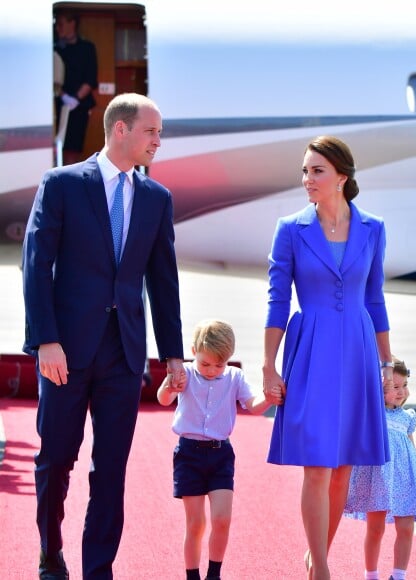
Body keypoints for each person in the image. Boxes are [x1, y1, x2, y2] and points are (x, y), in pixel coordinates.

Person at [22, 92, 186, 580]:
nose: (159, 140)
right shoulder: (62, 184)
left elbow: (163, 280)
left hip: (124, 352)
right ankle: (51, 559)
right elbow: (36, 265)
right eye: (152, 131)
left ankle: (99, 569)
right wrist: (45, 339)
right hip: (65, 351)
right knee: (56, 460)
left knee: (110, 468)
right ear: (121, 130)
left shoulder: (157, 198)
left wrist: (173, 354)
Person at [262, 135, 393, 580]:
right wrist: (268, 364)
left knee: (342, 470)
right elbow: (278, 301)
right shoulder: (290, 229)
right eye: (304, 170)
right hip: (312, 349)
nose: (307, 179)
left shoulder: (373, 228)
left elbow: (374, 298)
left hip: (358, 351)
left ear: (342, 176)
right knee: (317, 465)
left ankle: (317, 553)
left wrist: (387, 361)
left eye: (317, 170)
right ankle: (321, 568)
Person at [157, 319, 271, 580]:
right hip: (188, 455)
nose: (211, 370)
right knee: (195, 523)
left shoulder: (234, 377)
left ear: (228, 359)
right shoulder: (184, 373)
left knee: (222, 519)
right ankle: (192, 575)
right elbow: (164, 399)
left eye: (219, 365)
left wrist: (270, 398)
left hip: (220, 455)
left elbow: (253, 405)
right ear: (194, 350)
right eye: (205, 363)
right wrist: (169, 384)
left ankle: (214, 574)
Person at [344, 358, 416, 580]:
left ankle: (398, 575)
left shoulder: (407, 417)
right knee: (376, 529)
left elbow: (413, 448)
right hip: (380, 479)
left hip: (406, 479)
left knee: (406, 528)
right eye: (394, 387)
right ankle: (371, 574)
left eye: (404, 385)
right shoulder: (372, 414)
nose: (401, 392)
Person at [54, 10, 98, 165]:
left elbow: (91, 79)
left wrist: (75, 99)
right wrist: (64, 96)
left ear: (72, 23)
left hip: (79, 106)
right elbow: (53, 78)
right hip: (58, 103)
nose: (58, 28)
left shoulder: (87, 48)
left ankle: (69, 182)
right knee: (57, 147)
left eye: (61, 24)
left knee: (73, 149)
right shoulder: (55, 49)